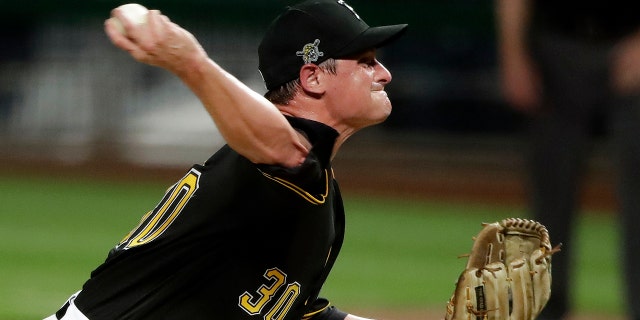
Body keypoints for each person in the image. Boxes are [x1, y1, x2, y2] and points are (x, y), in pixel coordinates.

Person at [44, 1, 407, 319]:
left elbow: (299, 312)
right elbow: (286, 149)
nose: (384, 74)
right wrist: (190, 62)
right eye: (366, 62)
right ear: (312, 77)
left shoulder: (317, 186)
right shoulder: (277, 160)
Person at [495, 1, 640, 319]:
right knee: (550, 193)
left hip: (631, 43)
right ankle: (545, 309)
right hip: (555, 47)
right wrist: (513, 53)